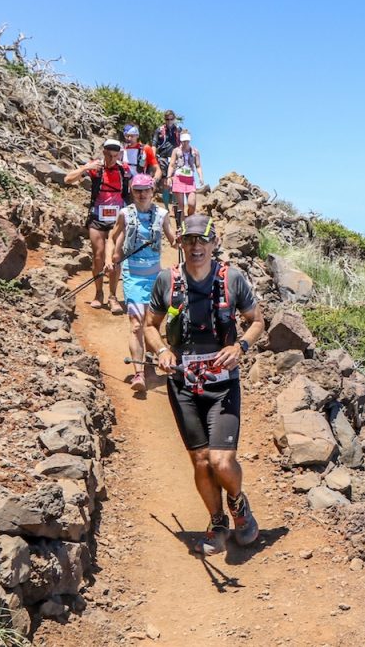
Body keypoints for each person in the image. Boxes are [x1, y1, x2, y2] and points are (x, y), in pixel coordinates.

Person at [143, 215, 264, 555]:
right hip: (183, 385)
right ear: (180, 244)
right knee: (200, 461)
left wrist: (240, 347)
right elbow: (150, 326)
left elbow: (257, 321)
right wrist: (163, 351)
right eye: (189, 240)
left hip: (223, 386)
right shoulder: (167, 281)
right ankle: (217, 521)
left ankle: (238, 506)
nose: (195, 247)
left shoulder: (232, 279)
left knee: (221, 461)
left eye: (202, 240)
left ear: (214, 243)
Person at [105, 174, 176, 392]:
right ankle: (139, 374)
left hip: (155, 277)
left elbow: (173, 240)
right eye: (137, 190)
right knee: (136, 324)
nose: (142, 194)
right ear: (132, 191)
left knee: (151, 324)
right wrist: (109, 259)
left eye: (146, 190)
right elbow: (111, 236)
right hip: (133, 275)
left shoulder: (163, 215)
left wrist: (180, 240)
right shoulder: (124, 214)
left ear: (153, 191)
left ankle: (153, 360)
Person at [63, 139, 131, 313]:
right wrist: (86, 169)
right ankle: (98, 293)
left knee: (116, 256)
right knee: (99, 255)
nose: (111, 159)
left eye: (115, 156)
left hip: (118, 217)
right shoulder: (95, 167)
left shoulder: (124, 169)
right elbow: (68, 179)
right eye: (109, 155)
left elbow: (133, 191)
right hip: (97, 217)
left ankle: (113, 296)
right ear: (103, 152)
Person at [167, 131, 203, 218]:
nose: (185, 143)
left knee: (192, 203)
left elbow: (198, 166)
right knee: (181, 206)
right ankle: (182, 226)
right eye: (183, 141)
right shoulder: (176, 151)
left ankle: (189, 219)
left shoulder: (195, 152)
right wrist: (169, 177)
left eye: (187, 141)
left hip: (190, 180)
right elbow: (171, 164)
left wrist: (201, 177)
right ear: (180, 140)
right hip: (178, 178)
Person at [153, 110, 181, 206]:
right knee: (165, 183)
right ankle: (166, 206)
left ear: (174, 119)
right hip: (163, 158)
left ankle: (175, 205)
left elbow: (183, 144)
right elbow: (154, 144)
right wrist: (152, 158)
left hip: (175, 159)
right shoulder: (159, 130)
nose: (169, 121)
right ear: (164, 119)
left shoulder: (178, 130)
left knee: (175, 181)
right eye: (167, 119)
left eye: (171, 119)